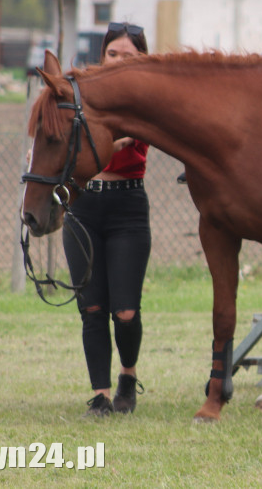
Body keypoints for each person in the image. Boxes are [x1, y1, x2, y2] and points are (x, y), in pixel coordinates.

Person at [63, 22, 151, 417]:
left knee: (125, 311)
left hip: (127, 205)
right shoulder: (84, 96)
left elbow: (121, 145)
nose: (118, 61)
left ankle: (127, 378)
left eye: (128, 56)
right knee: (92, 308)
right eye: (112, 54)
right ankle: (100, 396)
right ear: (102, 55)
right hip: (84, 205)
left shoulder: (146, 100)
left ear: (141, 60)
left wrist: (102, 145)